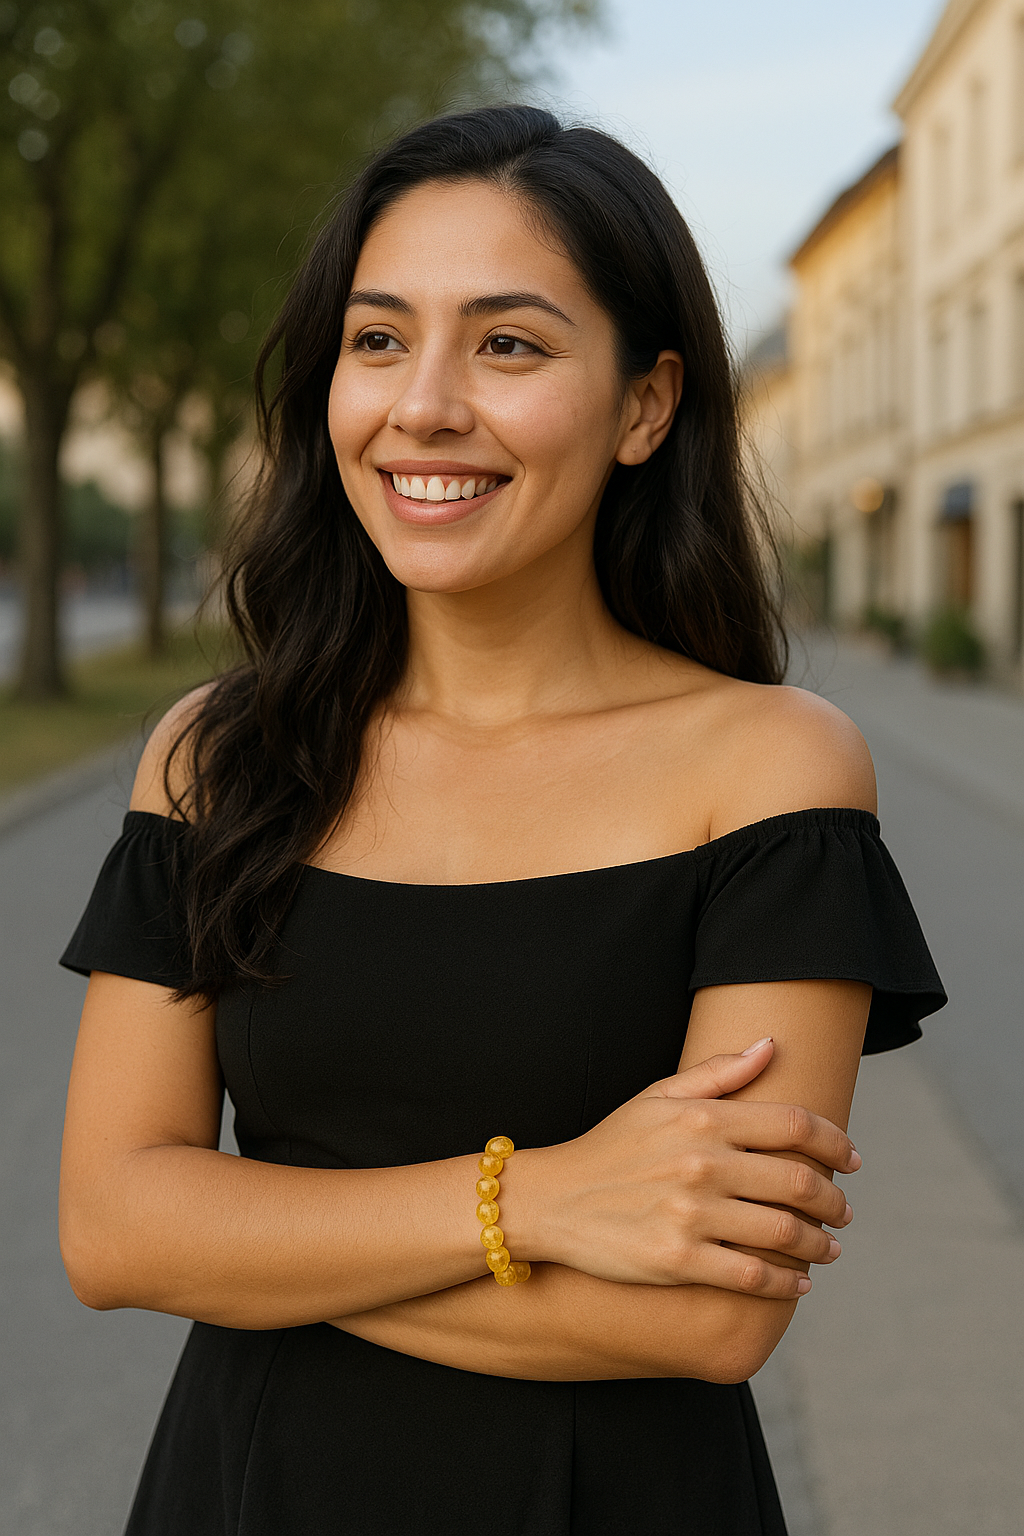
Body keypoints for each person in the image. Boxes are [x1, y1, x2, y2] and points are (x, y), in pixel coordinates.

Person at [58, 105, 945, 1535]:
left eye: (509, 344)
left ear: (647, 405)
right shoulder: (221, 757)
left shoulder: (773, 770)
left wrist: (256, 1237)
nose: (423, 406)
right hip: (250, 1493)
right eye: (378, 338)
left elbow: (705, 1323)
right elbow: (110, 1231)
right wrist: (536, 1203)